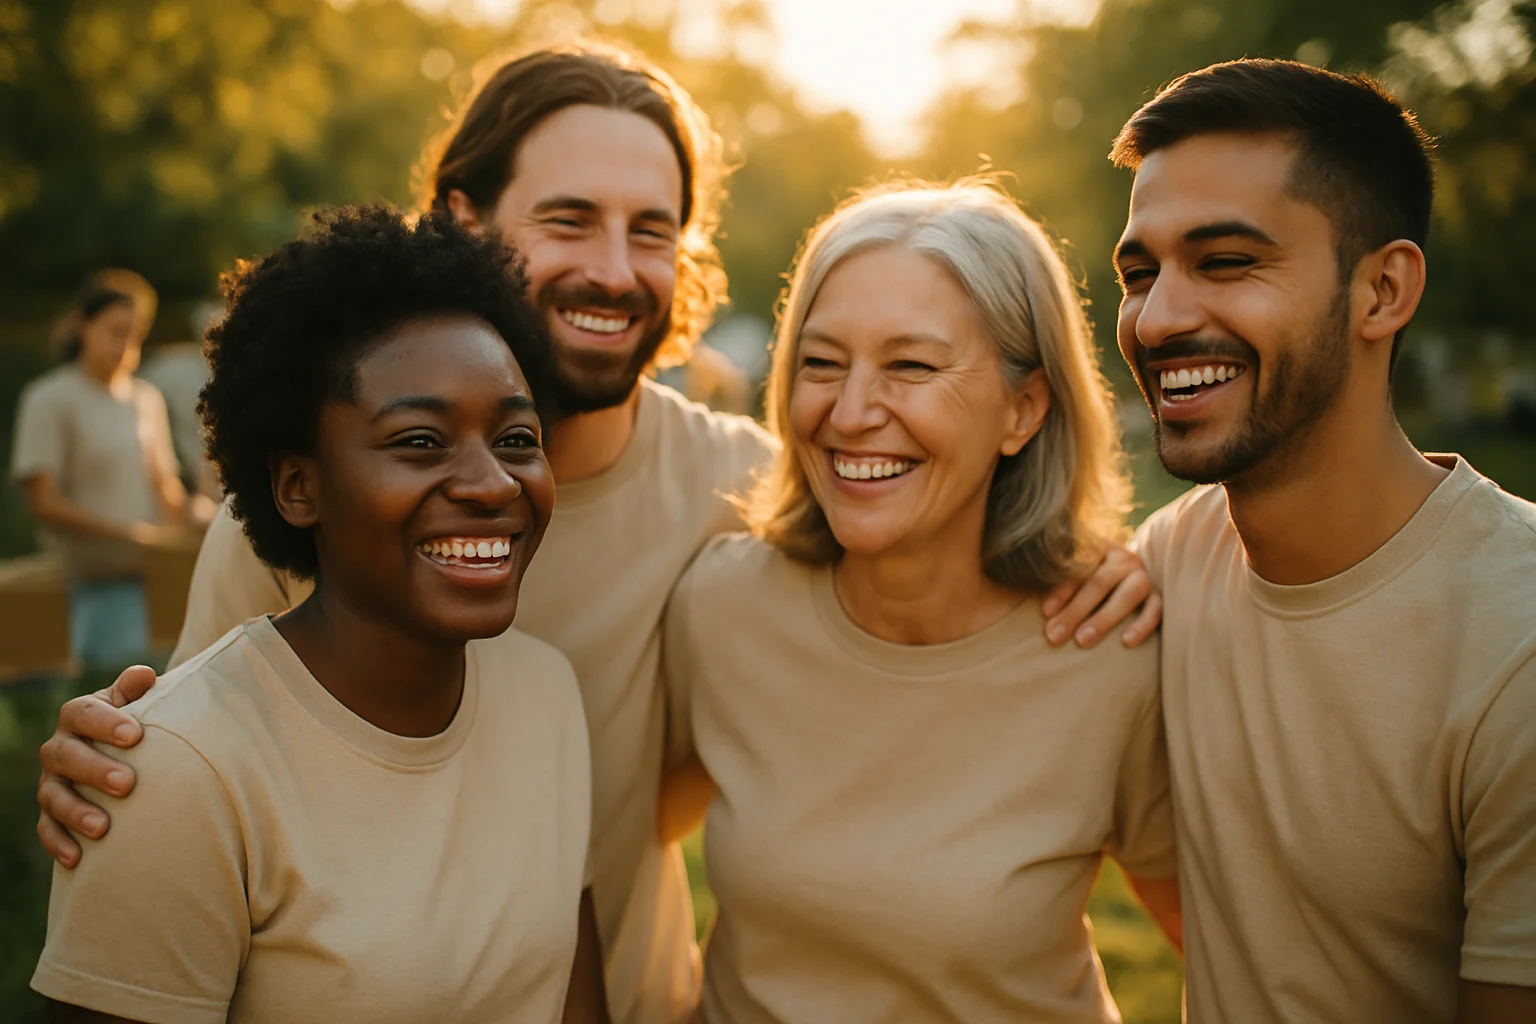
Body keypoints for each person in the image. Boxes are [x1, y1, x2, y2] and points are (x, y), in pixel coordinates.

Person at [32, 41, 1158, 1024]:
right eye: (569, 220)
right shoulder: (298, 524)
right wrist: (110, 755)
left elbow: (923, 511)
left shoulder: (754, 497)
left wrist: (1099, 565)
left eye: (651, 231)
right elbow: (185, 769)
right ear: (464, 222)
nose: (613, 271)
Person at [32, 205, 606, 1023]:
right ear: (298, 486)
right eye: (419, 442)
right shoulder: (175, 776)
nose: (492, 484)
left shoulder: (547, 695)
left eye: (516, 439)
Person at [661, 181, 1181, 1023]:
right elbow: (618, 843)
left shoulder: (1109, 647)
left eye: (911, 366)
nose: (853, 412)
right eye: (821, 364)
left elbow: (1227, 950)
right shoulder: (721, 606)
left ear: (1023, 409)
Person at [1107, 59, 1536, 1021]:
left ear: (1383, 289)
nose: (1160, 316)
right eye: (1141, 273)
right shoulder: (1172, 562)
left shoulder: (1519, 644)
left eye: (1226, 262)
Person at [10, 274, 188, 667]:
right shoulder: (49, 398)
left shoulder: (146, 399)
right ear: (82, 326)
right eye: (115, 331)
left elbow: (166, 488)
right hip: (88, 586)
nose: (125, 345)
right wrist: (127, 535)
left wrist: (198, 515)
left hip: (154, 580)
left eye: (135, 334)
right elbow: (43, 502)